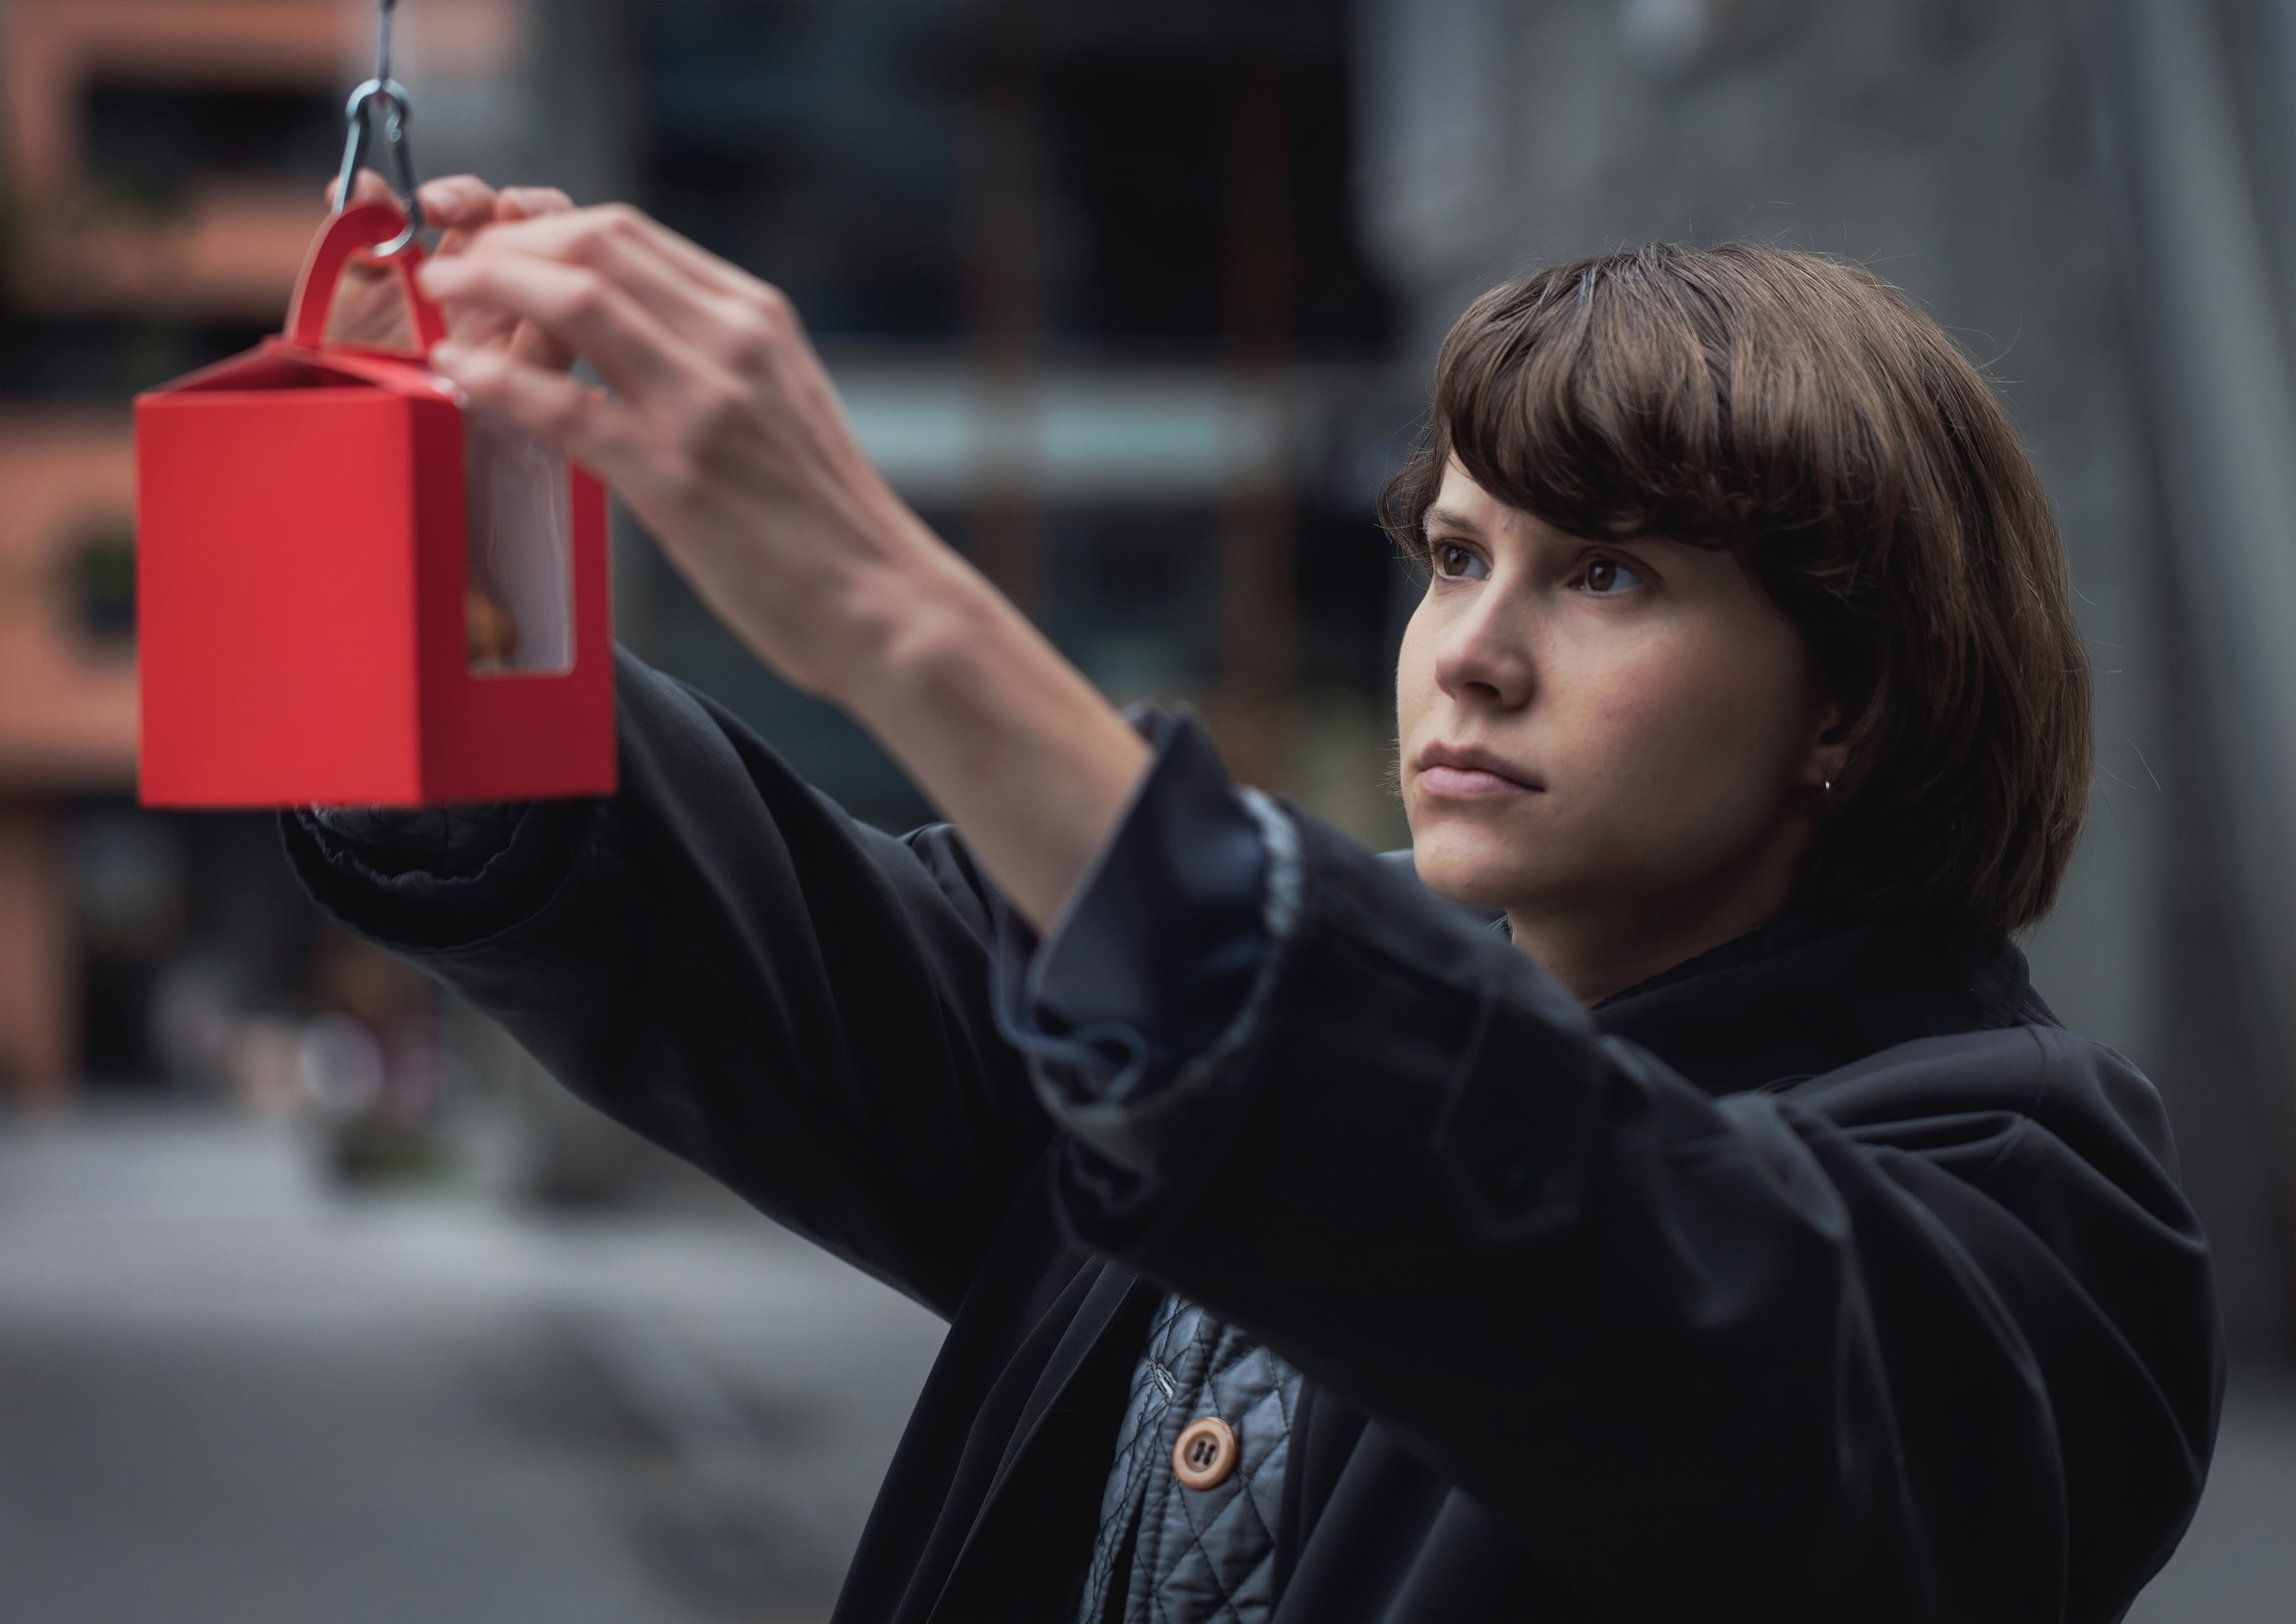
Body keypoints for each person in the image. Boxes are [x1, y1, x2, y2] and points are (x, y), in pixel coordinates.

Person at [289, 173, 2220, 1622]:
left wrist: (894, 610)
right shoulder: (1210, 994)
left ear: (1850, 701)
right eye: (1454, 554)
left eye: (1607, 573)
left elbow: (1648, 1305)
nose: (1468, 650)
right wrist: (440, 578)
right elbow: (751, 934)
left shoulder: (2023, 1201)